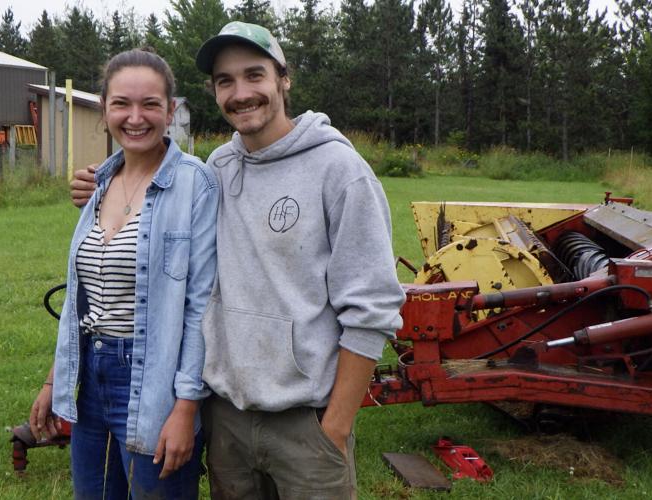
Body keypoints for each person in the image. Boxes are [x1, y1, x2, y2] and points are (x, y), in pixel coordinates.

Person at [71, 21, 405, 499]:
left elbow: (371, 310)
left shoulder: (340, 171)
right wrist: (100, 183)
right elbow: (153, 198)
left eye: (255, 75)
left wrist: (334, 428)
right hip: (226, 418)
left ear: (283, 79)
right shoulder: (216, 172)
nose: (241, 93)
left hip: (306, 424)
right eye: (226, 81)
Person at [30, 48, 219, 499]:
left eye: (150, 104)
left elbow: (201, 306)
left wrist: (185, 407)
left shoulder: (196, 184)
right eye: (122, 104)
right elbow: (84, 297)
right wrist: (55, 380)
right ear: (103, 108)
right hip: (90, 382)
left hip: (156, 384)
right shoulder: (99, 185)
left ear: (171, 110)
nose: (136, 117)